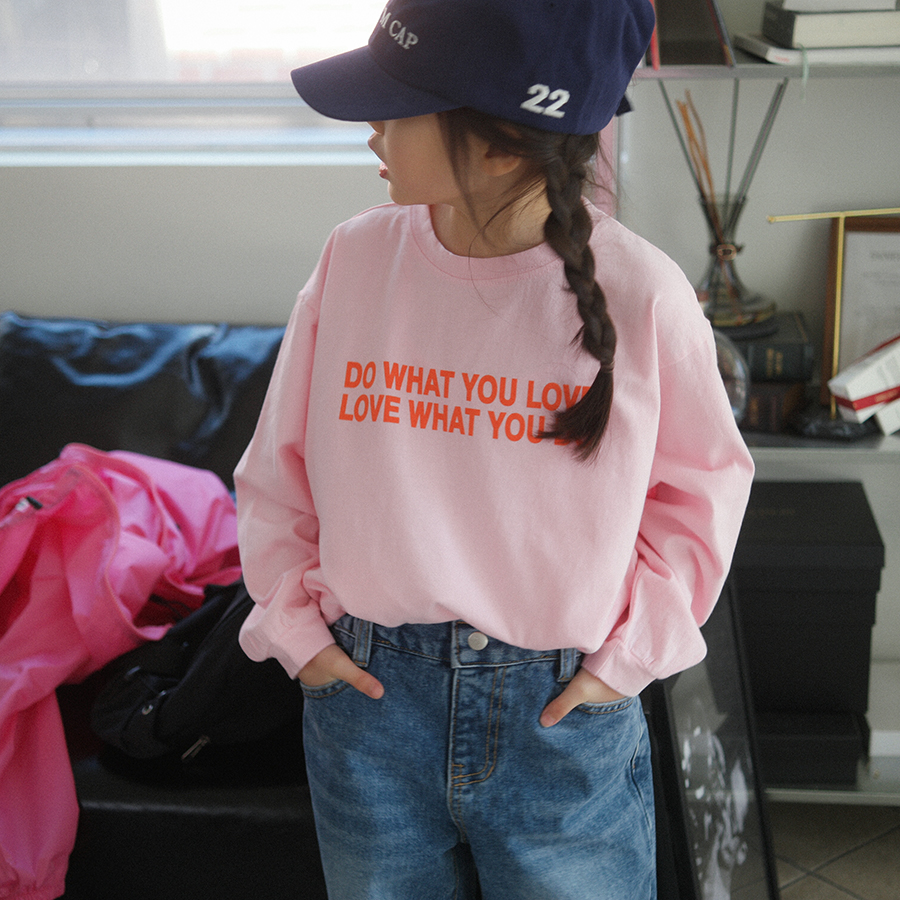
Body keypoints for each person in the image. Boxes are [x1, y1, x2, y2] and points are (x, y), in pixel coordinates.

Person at [234, 1, 755, 897]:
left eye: (396, 107)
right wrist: (295, 633)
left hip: (560, 715)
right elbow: (276, 471)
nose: (371, 132)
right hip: (367, 705)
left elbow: (701, 497)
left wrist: (624, 663)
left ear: (503, 142)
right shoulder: (353, 260)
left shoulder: (645, 294)